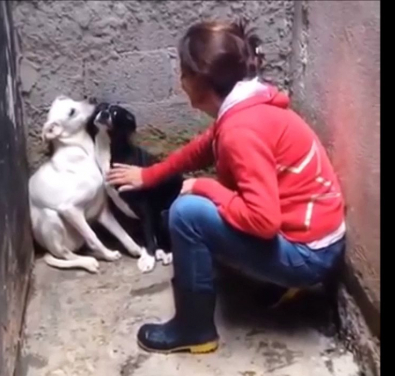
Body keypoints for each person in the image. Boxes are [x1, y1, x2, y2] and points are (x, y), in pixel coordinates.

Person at [106, 19, 346, 355]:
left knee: (187, 214)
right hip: (319, 239)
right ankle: (277, 281)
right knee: (203, 208)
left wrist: (206, 187)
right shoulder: (245, 106)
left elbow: (263, 222)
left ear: (203, 82)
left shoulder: (241, 130)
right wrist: (149, 175)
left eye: (184, 72)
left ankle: (194, 329)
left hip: (309, 256)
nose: (180, 81)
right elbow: (204, 146)